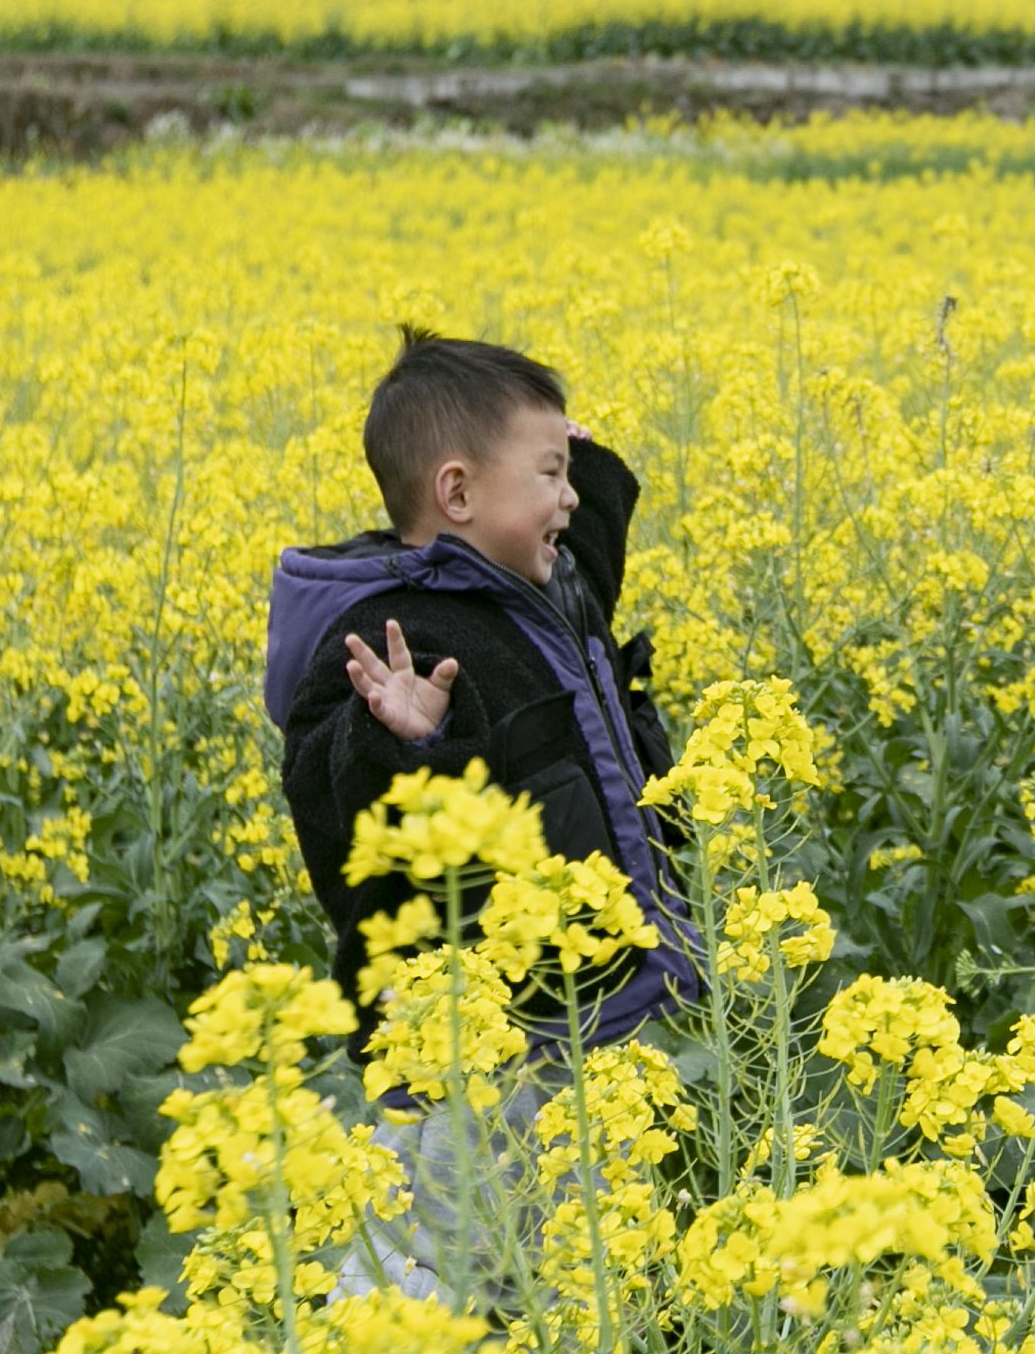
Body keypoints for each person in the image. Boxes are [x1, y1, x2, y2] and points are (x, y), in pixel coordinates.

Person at [263, 332, 706, 1051]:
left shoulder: (544, 588)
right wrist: (406, 742)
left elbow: (591, 551)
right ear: (458, 492)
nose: (569, 496)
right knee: (484, 1171)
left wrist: (578, 457)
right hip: (486, 1045)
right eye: (549, 474)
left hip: (609, 999)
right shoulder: (383, 636)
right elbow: (329, 796)